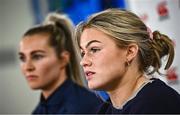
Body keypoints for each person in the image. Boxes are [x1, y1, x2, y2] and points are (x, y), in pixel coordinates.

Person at [74, 8, 180, 114]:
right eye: (83, 53)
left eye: (94, 49)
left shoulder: (156, 104)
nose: (83, 62)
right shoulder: (106, 110)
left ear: (130, 52)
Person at [18, 12, 102, 114]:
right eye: (23, 58)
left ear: (63, 59)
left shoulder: (85, 107)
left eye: (37, 56)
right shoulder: (39, 111)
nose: (27, 67)